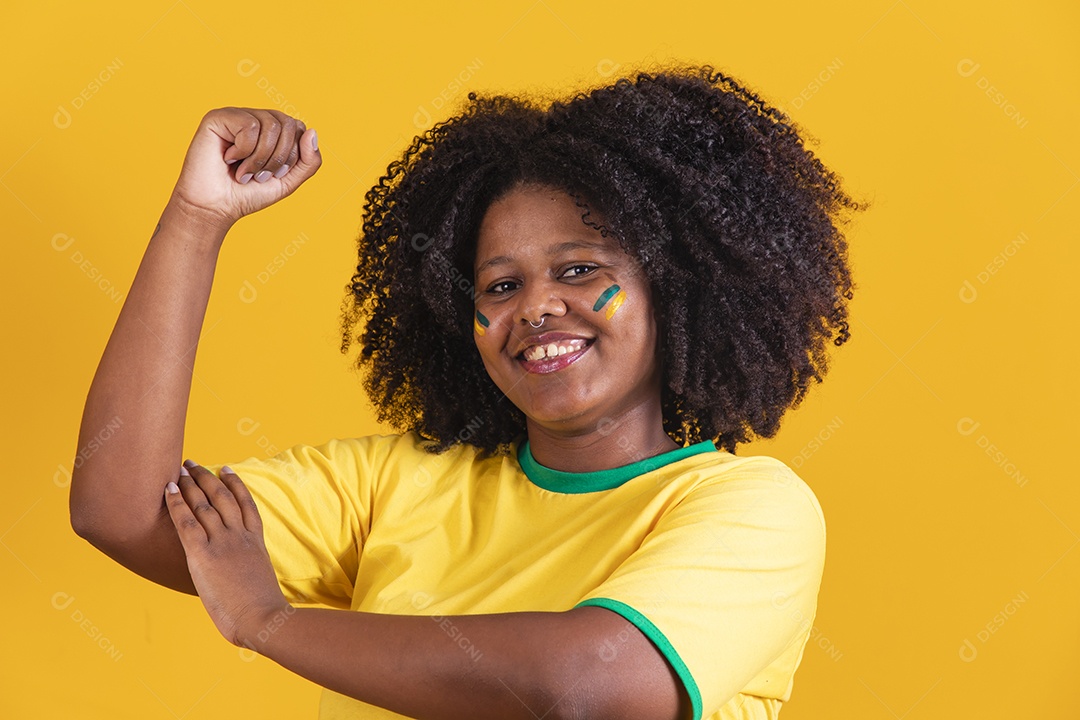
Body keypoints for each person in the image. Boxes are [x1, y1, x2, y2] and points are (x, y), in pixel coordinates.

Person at [69, 65, 860, 720]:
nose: (537, 306)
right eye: (501, 284)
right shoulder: (391, 485)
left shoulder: (752, 508)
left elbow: (584, 687)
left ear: (675, 286)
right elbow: (123, 510)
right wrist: (196, 218)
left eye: (579, 269)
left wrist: (270, 622)